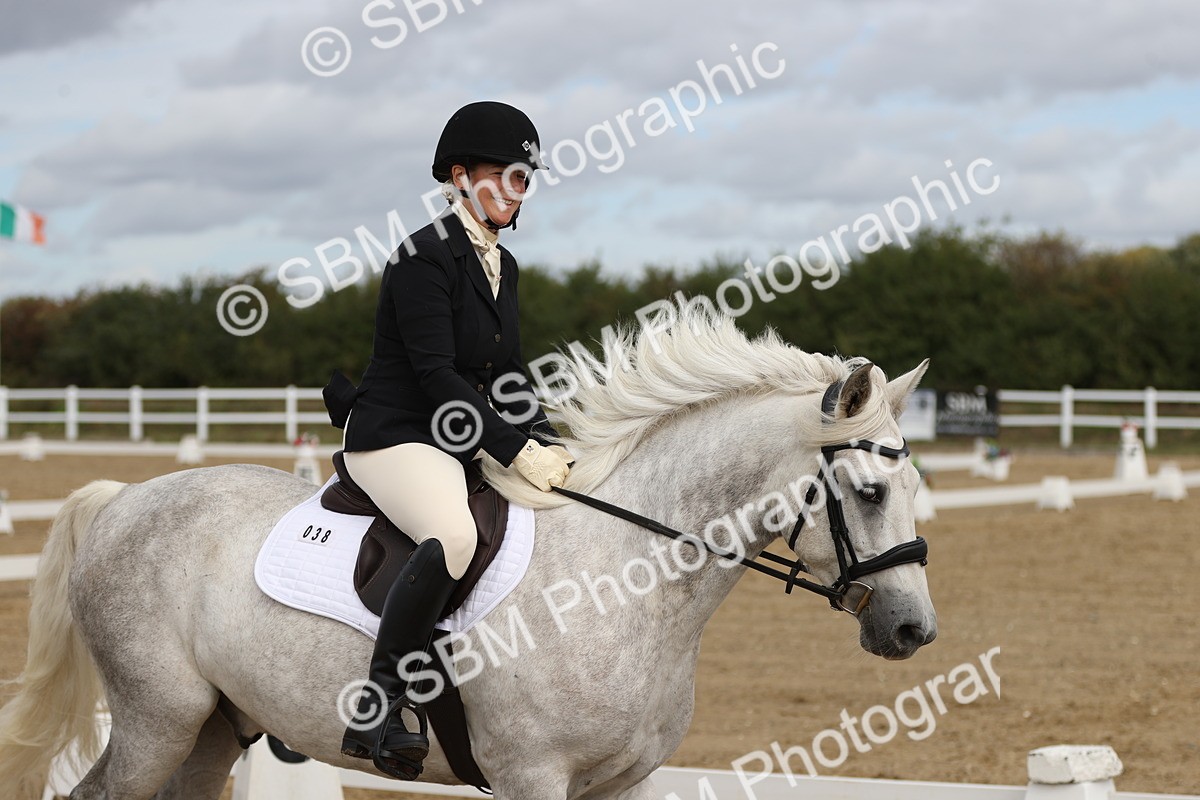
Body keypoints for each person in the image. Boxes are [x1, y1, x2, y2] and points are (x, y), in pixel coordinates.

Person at [322, 101, 574, 780]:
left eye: (524, 179)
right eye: (504, 175)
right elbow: (436, 376)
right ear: (459, 176)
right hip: (396, 436)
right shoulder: (421, 258)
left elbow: (509, 373)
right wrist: (516, 450)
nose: (515, 190)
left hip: (455, 438)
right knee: (455, 537)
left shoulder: (504, 266)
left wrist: (552, 441)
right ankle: (379, 700)